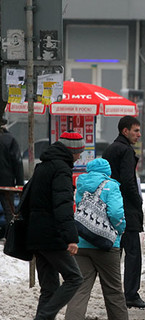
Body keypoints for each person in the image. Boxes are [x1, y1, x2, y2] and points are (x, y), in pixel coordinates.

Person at [26, 131, 85, 320]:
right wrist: (71, 238)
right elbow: (62, 206)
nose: (80, 156)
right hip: (51, 235)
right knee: (75, 278)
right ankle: (44, 316)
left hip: (36, 234)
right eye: (79, 152)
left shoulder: (43, 166)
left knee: (49, 288)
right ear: (72, 151)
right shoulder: (61, 169)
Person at [64, 158, 128, 320]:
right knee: (113, 291)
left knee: (80, 290)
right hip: (106, 245)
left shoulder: (81, 184)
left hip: (82, 242)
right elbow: (115, 213)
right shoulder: (111, 185)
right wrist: (120, 230)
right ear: (107, 171)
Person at [102, 116, 145, 309]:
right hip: (126, 210)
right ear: (125, 131)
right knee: (133, 254)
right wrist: (137, 200)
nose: (139, 135)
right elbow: (127, 180)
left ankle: (114, 294)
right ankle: (131, 294)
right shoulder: (125, 150)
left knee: (115, 253)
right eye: (135, 131)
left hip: (111, 207)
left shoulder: (110, 149)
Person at [0, 117, 24, 230]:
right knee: (8, 209)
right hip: (6, 181)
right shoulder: (9, 139)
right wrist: (19, 183)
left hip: (6, 180)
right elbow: (17, 162)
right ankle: (9, 235)